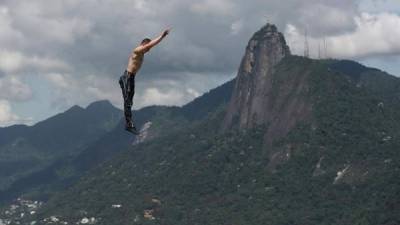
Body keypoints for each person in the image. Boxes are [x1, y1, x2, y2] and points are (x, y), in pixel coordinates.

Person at [119, 29, 170, 134]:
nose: (148, 50)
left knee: (130, 101)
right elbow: (150, 45)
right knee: (128, 101)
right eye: (147, 47)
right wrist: (162, 36)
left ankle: (128, 123)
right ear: (143, 44)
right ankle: (129, 125)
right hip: (127, 77)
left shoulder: (141, 54)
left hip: (131, 78)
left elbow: (149, 46)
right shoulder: (137, 50)